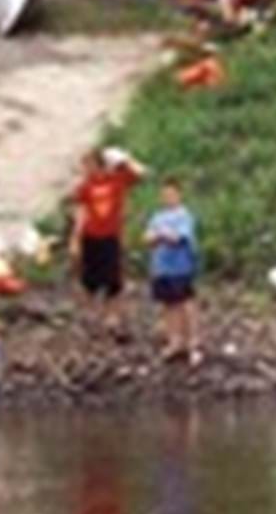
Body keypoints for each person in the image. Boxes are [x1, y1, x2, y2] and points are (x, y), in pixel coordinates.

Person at [68, 145, 149, 339]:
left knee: (114, 281)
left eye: (89, 165)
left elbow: (142, 174)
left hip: (111, 236)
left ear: (99, 164)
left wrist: (124, 158)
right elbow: (81, 213)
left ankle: (112, 318)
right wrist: (75, 239)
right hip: (91, 237)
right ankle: (90, 318)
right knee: (89, 281)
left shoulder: (117, 180)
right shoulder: (85, 187)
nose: (86, 170)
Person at [144, 177, 202, 366]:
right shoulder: (157, 216)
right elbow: (148, 238)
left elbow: (178, 238)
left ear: (179, 195)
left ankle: (193, 343)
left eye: (171, 194)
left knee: (186, 304)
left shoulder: (184, 215)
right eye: (165, 195)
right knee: (168, 305)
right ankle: (174, 341)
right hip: (162, 268)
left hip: (181, 267)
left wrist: (161, 235)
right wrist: (159, 236)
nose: (168, 198)